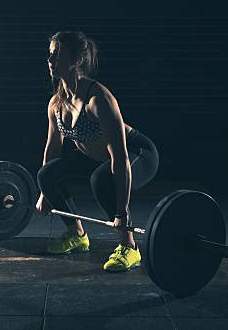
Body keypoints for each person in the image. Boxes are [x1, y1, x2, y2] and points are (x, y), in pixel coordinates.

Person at [36, 30, 159, 272]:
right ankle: (78, 236)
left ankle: (129, 246)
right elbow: (52, 150)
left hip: (138, 153)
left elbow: (121, 158)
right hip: (97, 157)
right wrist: (44, 193)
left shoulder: (98, 100)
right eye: (50, 55)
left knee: (101, 180)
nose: (50, 61)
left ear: (77, 59)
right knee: (46, 175)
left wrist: (122, 214)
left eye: (57, 55)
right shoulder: (57, 104)